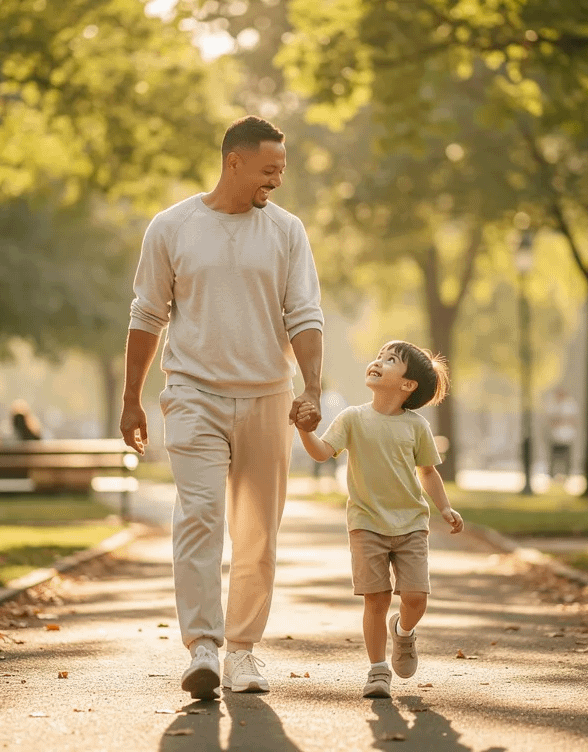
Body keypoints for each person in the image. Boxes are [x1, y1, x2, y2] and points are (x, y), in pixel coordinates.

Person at [120, 116, 324, 701]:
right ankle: (203, 646)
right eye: (269, 169)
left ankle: (244, 652)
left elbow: (305, 315)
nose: (277, 180)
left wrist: (311, 387)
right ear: (233, 161)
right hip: (193, 394)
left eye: (281, 170)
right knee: (201, 516)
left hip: (267, 396)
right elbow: (145, 315)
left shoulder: (287, 232)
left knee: (257, 531)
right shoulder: (173, 226)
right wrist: (131, 399)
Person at [294, 340, 463, 699]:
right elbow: (324, 453)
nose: (378, 362)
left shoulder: (416, 426)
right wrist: (304, 431)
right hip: (366, 523)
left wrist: (444, 508)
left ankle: (402, 632)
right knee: (376, 598)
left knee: (416, 598)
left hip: (411, 525)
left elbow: (428, 471)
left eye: (390, 361)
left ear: (407, 385)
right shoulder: (352, 417)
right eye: (379, 357)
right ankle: (377, 670)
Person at [544, 388, 580, 478]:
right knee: (553, 458)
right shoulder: (552, 405)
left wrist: (561, 420)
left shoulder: (570, 405)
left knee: (567, 459)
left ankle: (567, 475)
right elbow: (551, 421)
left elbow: (574, 420)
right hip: (555, 437)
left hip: (567, 437)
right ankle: (552, 475)